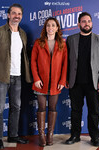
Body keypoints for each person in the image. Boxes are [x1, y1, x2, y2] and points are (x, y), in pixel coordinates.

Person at [0, 3, 32, 149]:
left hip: (18, 77)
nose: (16, 16)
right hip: (1, 77)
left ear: (21, 17)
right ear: (8, 15)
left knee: (16, 107)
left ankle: (13, 135)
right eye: (14, 13)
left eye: (19, 14)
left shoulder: (23, 34)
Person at [65, 12, 99, 147]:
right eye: (83, 21)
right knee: (75, 111)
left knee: (94, 112)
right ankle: (75, 135)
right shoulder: (71, 39)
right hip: (75, 82)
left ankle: (95, 137)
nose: (86, 24)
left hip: (93, 83)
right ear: (78, 24)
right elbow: (66, 61)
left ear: (92, 23)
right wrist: (66, 79)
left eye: (89, 21)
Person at [31, 17, 67, 147]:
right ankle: (41, 135)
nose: (50, 28)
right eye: (48, 26)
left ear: (57, 28)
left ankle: (49, 134)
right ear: (45, 28)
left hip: (55, 83)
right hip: (40, 82)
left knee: (52, 107)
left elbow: (65, 64)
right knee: (41, 107)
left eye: (53, 25)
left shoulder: (62, 44)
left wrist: (62, 81)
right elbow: (33, 62)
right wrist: (36, 79)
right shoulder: (38, 42)